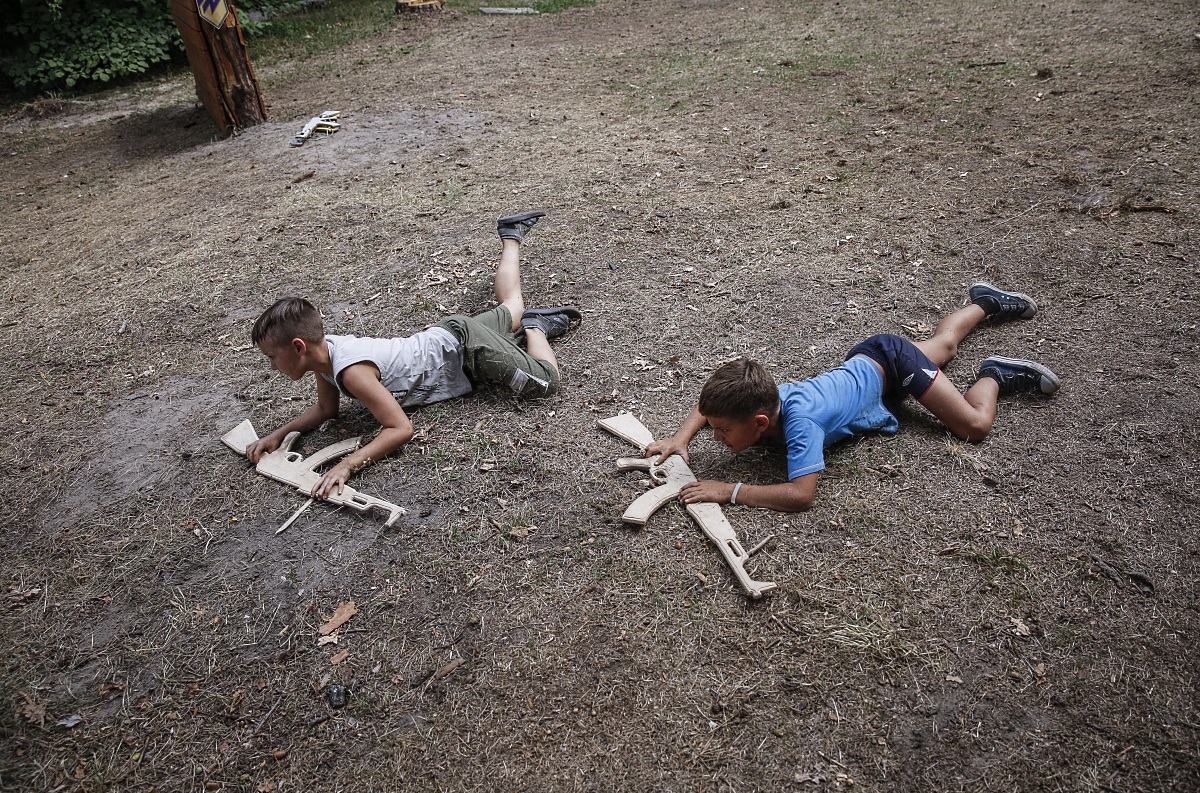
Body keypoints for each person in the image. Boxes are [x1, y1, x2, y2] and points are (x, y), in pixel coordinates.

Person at [246, 210, 580, 499]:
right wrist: (279, 435)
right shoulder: (326, 354)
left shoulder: (352, 372)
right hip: (449, 334)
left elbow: (399, 429)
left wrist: (347, 465)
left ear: (298, 347)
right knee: (512, 308)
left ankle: (535, 327)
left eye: (272, 356)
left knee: (546, 381)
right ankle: (511, 235)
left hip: (464, 350)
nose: (271, 365)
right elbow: (325, 409)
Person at [646, 283, 1060, 513]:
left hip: (892, 365)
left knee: (974, 426)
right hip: (872, 363)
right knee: (945, 345)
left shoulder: (799, 424)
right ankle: (985, 302)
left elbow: (800, 495)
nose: (715, 437)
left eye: (722, 431)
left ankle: (994, 375)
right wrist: (680, 440)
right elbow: (706, 406)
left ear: (759, 423)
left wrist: (729, 490)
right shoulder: (760, 400)